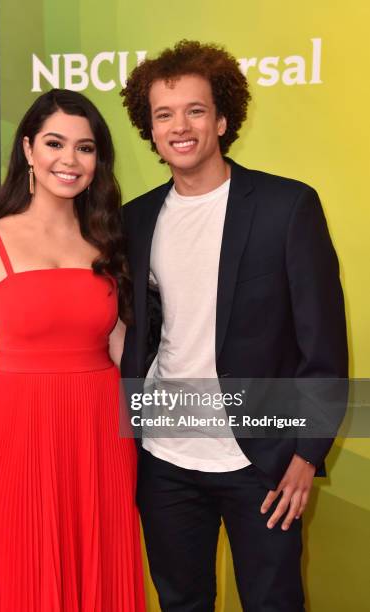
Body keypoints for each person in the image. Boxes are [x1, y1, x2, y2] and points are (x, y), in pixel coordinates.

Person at [119, 40, 348, 611]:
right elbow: (134, 329)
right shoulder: (137, 218)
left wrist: (305, 455)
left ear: (221, 118)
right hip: (164, 460)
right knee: (181, 602)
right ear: (149, 129)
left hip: (262, 463)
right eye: (163, 114)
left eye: (195, 110)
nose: (180, 126)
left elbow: (323, 348)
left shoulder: (287, 206)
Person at [0, 89, 146, 612]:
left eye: (85, 148)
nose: (70, 160)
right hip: (17, 432)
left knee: (97, 564)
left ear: (97, 161)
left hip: (100, 430)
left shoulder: (110, 242)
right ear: (29, 150)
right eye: (55, 143)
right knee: (19, 569)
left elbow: (125, 345)